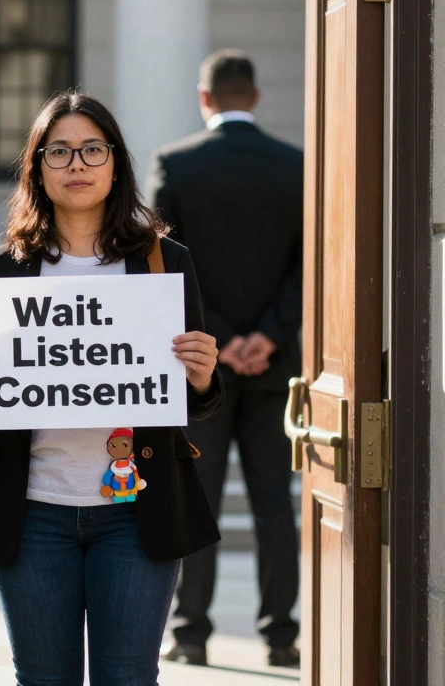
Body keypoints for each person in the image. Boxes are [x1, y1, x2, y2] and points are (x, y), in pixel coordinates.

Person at [0, 90, 224, 685]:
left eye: (92, 150)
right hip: (33, 514)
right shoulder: (5, 268)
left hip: (137, 513)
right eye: (59, 151)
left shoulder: (164, 262)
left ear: (116, 164)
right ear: (37, 169)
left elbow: (194, 398)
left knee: (127, 678)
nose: (76, 164)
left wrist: (202, 374)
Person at [146, 49, 303, 668]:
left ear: (204, 98)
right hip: (274, 362)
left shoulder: (176, 164)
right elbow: (308, 262)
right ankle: (282, 635)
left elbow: (163, 266)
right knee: (275, 505)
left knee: (198, 501)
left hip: (198, 366)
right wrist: (264, 333)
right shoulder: (295, 165)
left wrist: (218, 336)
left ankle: (190, 634)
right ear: (255, 97)